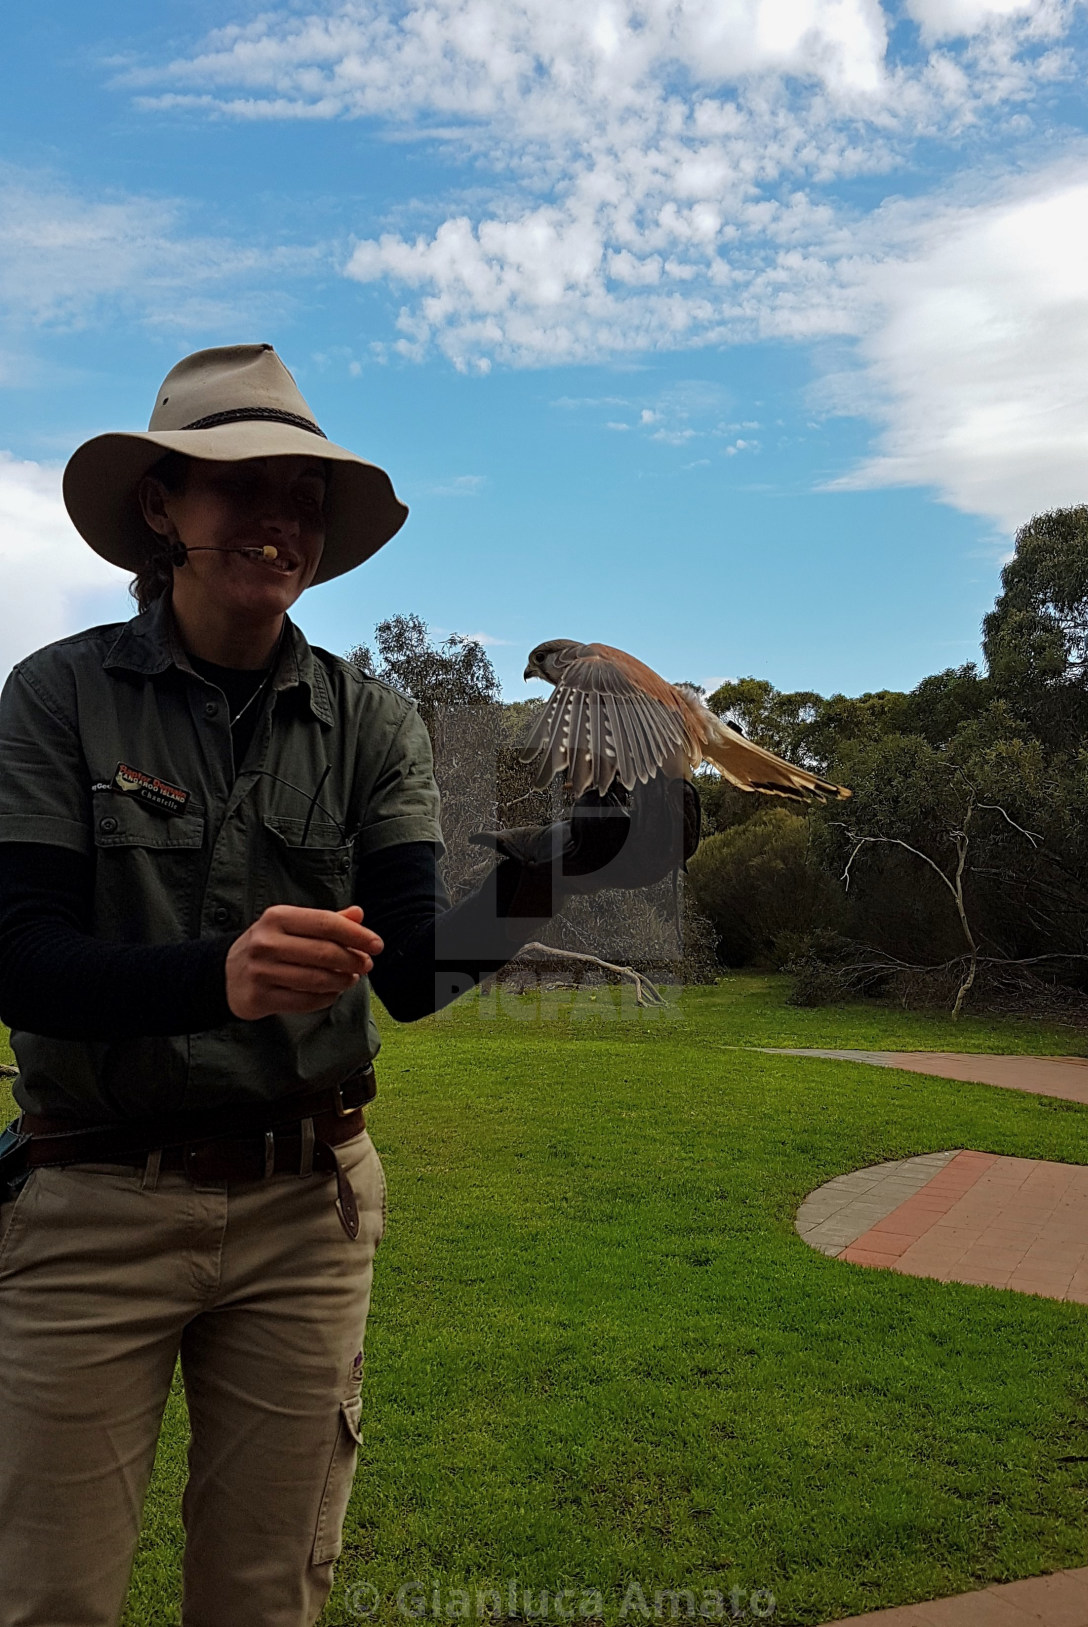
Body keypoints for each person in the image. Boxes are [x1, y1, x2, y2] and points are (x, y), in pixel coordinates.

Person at [0, 344, 696, 1627]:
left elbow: (418, 973)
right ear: (161, 507)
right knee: (49, 1596)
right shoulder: (56, 698)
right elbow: (21, 960)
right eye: (238, 484)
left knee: (268, 1598)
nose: (279, 520)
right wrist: (219, 973)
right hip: (91, 1201)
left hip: (302, 1211)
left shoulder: (369, 720)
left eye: (303, 496)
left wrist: (576, 862)